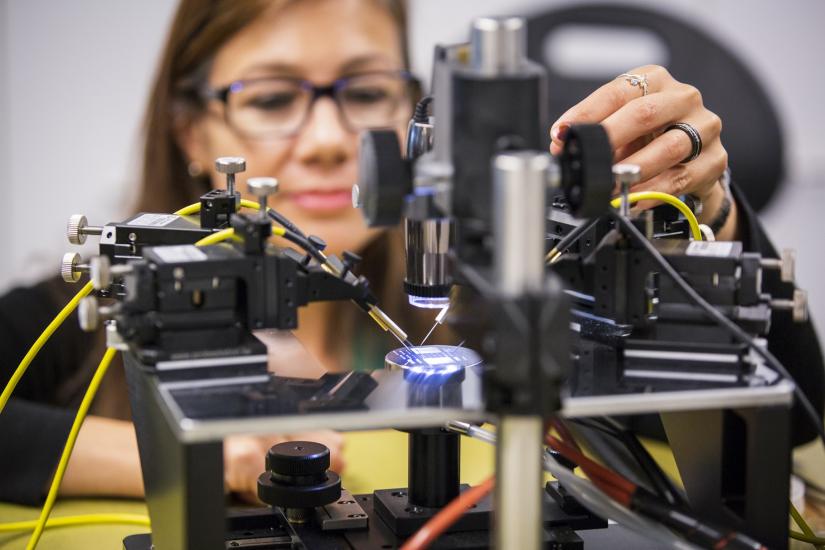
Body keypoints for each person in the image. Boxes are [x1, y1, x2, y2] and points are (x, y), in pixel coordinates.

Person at [0, 0, 822, 509]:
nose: (328, 141)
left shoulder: (514, 301)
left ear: (413, 119)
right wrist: (213, 455)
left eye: (362, 92)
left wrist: (707, 224)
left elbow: (784, 435)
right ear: (192, 129)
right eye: (272, 97)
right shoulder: (82, 315)